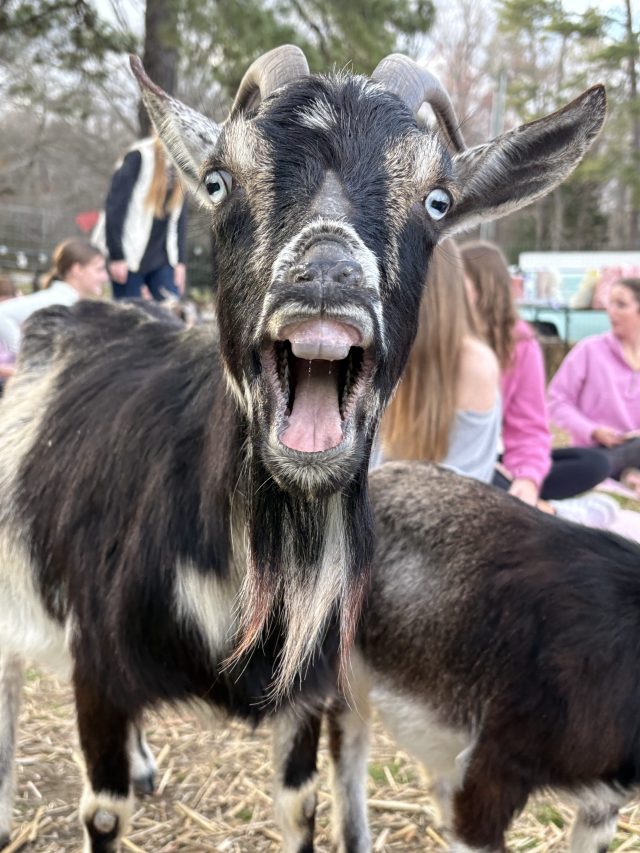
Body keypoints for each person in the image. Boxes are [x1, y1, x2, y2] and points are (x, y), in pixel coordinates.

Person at [460, 240, 611, 509]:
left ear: (487, 286)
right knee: (481, 482)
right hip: (459, 462)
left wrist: (527, 477)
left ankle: (529, 502)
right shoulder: (434, 338)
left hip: (500, 459)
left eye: (461, 285)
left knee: (595, 464)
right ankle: (545, 511)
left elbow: (528, 426)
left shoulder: (520, 344)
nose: (450, 295)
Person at [380, 238, 501, 483]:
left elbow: (463, 485)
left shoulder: (472, 363)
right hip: (385, 503)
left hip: (442, 509)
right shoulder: (379, 352)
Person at [548, 277, 640, 495]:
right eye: (610, 303)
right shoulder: (589, 350)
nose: (611, 311)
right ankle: (625, 473)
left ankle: (629, 474)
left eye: (621, 304)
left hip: (633, 449)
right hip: (592, 454)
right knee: (598, 463)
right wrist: (593, 431)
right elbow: (556, 402)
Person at [103, 136, 187, 302]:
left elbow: (180, 220)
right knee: (130, 320)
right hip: (130, 255)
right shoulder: (139, 156)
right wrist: (116, 256)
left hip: (163, 259)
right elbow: (115, 208)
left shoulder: (185, 163)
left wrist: (180, 262)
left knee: (172, 318)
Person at [0, 239, 108, 362]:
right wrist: (23, 357)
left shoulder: (71, 302)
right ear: (77, 269)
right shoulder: (58, 301)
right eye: (99, 269)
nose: (105, 277)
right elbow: (1, 313)